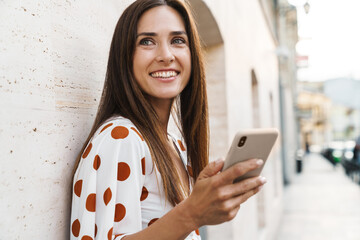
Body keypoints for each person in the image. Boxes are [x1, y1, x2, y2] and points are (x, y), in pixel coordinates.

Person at [70, 0, 266, 239]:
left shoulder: (176, 144)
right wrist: (192, 213)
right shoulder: (120, 137)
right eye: (147, 41)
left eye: (177, 41)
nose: (166, 55)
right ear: (125, 57)